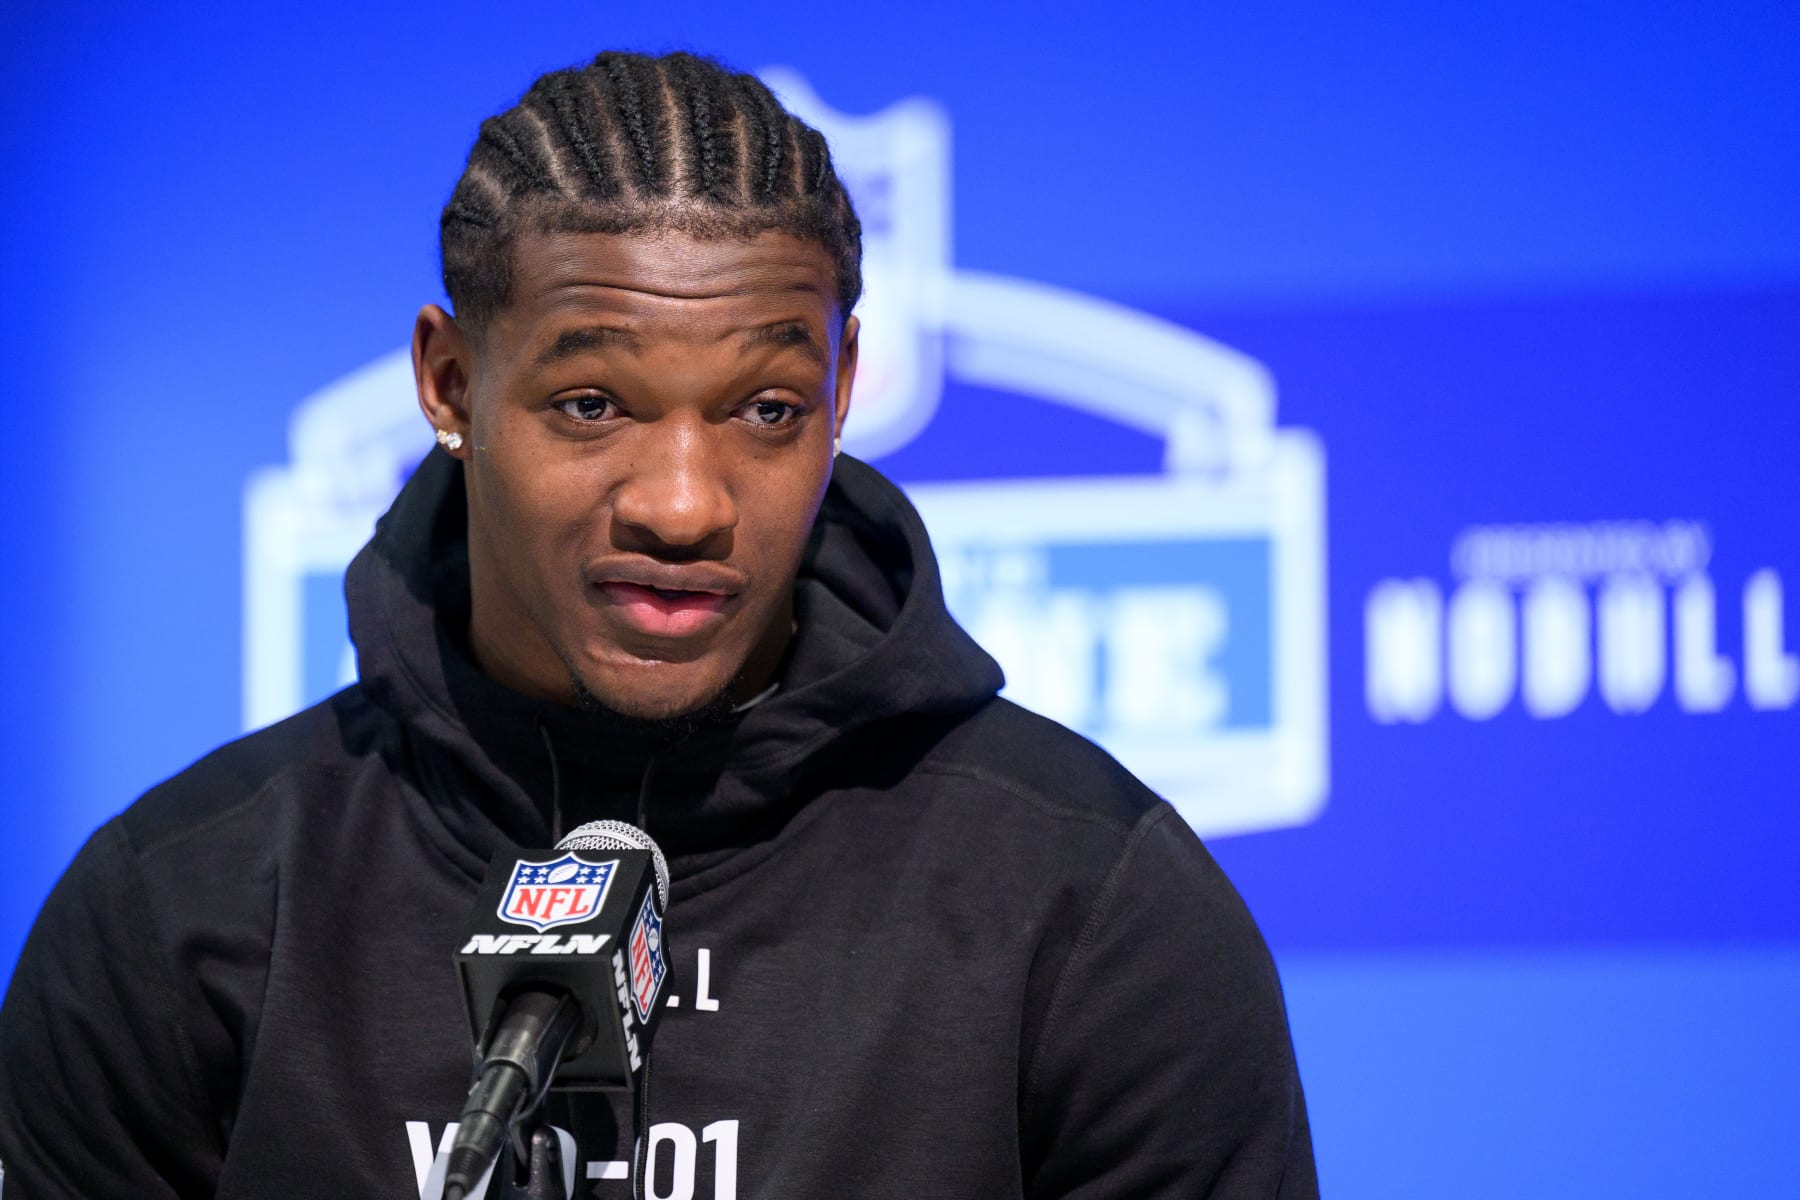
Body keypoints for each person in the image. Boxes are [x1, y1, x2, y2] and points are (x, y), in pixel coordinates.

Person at [0, 50, 1316, 1199]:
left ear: (844, 387)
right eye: (592, 406)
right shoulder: (181, 912)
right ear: (450, 384)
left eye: (766, 410)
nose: (684, 506)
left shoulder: (1093, 908)